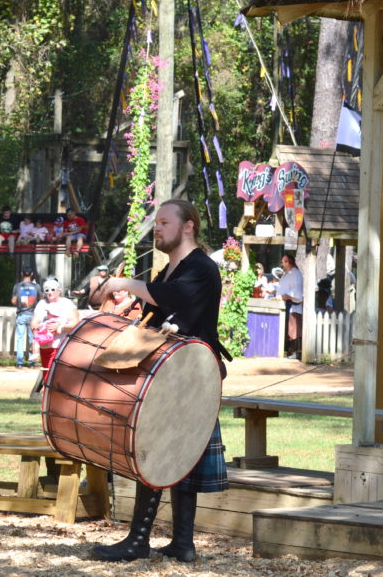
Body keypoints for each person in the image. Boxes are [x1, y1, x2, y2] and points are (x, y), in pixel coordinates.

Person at [91, 199, 232, 564]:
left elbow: (174, 299)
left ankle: (140, 542)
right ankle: (181, 544)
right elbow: (157, 315)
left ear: (188, 227)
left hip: (193, 377)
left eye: (164, 222)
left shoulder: (200, 268)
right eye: (156, 223)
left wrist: (125, 283)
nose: (157, 229)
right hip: (177, 375)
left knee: (160, 452)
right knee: (171, 454)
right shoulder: (170, 270)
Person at [30, 277, 79, 376]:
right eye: (47, 290)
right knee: (47, 374)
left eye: (53, 289)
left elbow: (75, 323)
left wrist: (60, 327)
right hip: (46, 346)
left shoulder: (67, 304)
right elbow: (34, 321)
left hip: (62, 345)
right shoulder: (41, 304)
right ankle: (47, 391)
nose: (50, 292)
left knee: (60, 375)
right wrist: (37, 328)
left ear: (59, 290)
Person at [276, 252, 304, 359]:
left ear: (290, 262)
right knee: (289, 329)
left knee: (293, 330)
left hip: (294, 306)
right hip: (286, 304)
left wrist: (287, 296)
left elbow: (297, 292)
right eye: (282, 262)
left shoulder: (295, 274)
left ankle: (295, 352)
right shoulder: (287, 274)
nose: (283, 264)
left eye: (285, 261)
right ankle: (289, 351)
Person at [11, 269, 41, 368]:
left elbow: (14, 301)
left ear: (21, 273)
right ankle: (31, 362)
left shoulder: (17, 286)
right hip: (33, 315)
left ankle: (20, 362)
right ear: (32, 274)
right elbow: (41, 299)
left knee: (20, 339)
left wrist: (20, 303)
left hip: (21, 314)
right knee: (32, 339)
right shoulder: (36, 286)